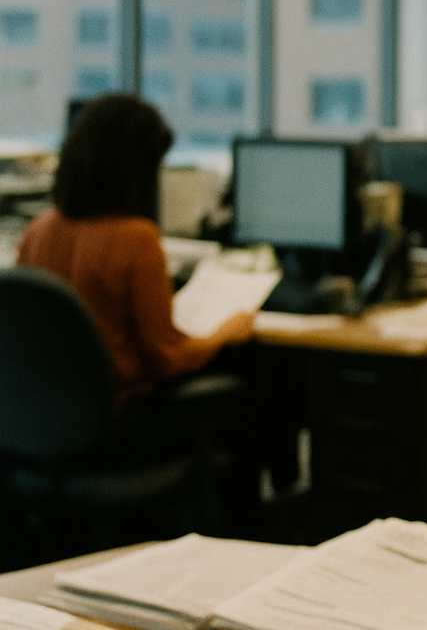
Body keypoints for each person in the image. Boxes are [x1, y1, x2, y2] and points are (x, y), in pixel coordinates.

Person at [17, 95, 255, 405]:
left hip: (46, 422)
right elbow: (165, 360)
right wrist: (225, 333)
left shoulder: (38, 230)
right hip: (119, 420)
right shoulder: (136, 239)